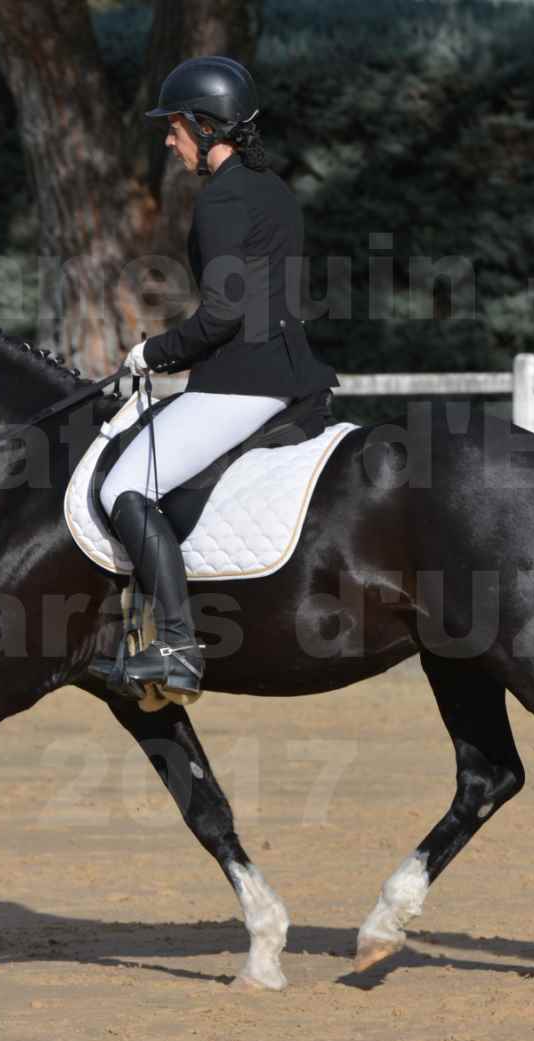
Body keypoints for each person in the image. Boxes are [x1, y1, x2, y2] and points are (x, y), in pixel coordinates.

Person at [99, 55, 340, 700]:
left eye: (174, 127)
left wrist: (153, 354)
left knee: (124, 486)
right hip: (294, 373)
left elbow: (223, 315)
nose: (168, 139)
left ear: (207, 128)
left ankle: (177, 645)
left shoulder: (223, 200)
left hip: (244, 380)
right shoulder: (274, 190)